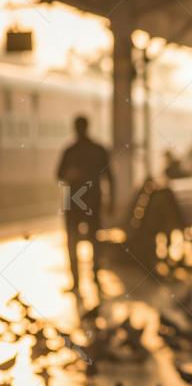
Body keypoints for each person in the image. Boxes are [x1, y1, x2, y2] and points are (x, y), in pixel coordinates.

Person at [56, 116, 114, 297]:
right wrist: (111, 200)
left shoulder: (70, 150)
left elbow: (58, 175)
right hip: (93, 202)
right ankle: (95, 276)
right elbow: (110, 177)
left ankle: (76, 282)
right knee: (94, 240)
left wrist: (70, 175)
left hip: (72, 202)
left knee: (72, 242)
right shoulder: (99, 150)